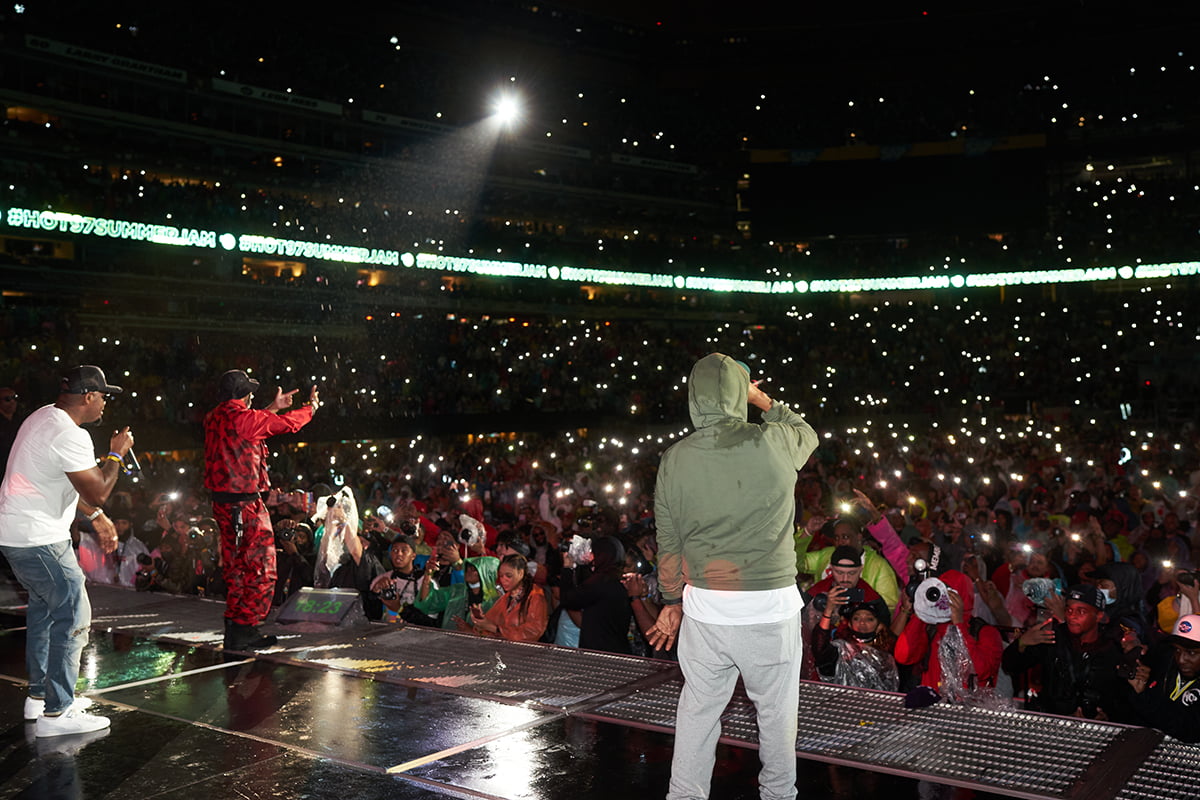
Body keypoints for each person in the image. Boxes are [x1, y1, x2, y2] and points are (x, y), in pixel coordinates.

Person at [648, 353, 818, 800]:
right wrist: (763, 401)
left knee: (699, 711)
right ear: (737, 395)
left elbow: (669, 542)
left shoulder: (674, 458)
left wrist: (670, 601)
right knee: (777, 715)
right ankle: (779, 795)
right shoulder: (775, 442)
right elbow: (808, 433)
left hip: (706, 607)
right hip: (771, 609)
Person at [0, 365, 133, 736]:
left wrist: (99, 517)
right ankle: (58, 713)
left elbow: (67, 485)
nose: (106, 402)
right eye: (104, 395)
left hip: (17, 533)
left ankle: (39, 699)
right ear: (88, 396)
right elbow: (98, 489)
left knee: (45, 612)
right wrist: (116, 454)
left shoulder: (42, 417)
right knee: (75, 613)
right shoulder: (70, 435)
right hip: (38, 539)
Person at [203, 369, 318, 651]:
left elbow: (248, 426)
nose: (254, 395)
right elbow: (288, 424)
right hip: (244, 506)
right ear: (244, 395)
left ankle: (236, 627)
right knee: (261, 569)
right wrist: (311, 408)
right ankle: (245, 628)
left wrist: (271, 408)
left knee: (236, 567)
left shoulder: (215, 416)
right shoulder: (245, 419)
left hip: (226, 505)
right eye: (250, 391)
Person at [1001, 584, 1137, 722]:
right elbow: (1010, 666)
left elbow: (1126, 697)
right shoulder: (1052, 638)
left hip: (1099, 726)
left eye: (1081, 611)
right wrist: (1022, 643)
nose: (1072, 616)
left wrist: (1107, 717)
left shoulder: (1112, 647)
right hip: (1053, 722)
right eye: (1069, 610)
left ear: (1098, 616)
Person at [1128, 613, 1200, 742]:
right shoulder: (1165, 662)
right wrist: (1139, 691)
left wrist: (1146, 699)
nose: (1182, 659)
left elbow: (1190, 730)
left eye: (1192, 652)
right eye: (1177, 650)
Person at [467, 553, 548, 642]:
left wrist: (496, 629)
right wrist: (481, 621)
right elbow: (489, 623)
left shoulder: (535, 596)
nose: (503, 579)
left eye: (509, 576)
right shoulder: (506, 598)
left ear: (521, 573)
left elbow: (533, 631)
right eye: (501, 576)